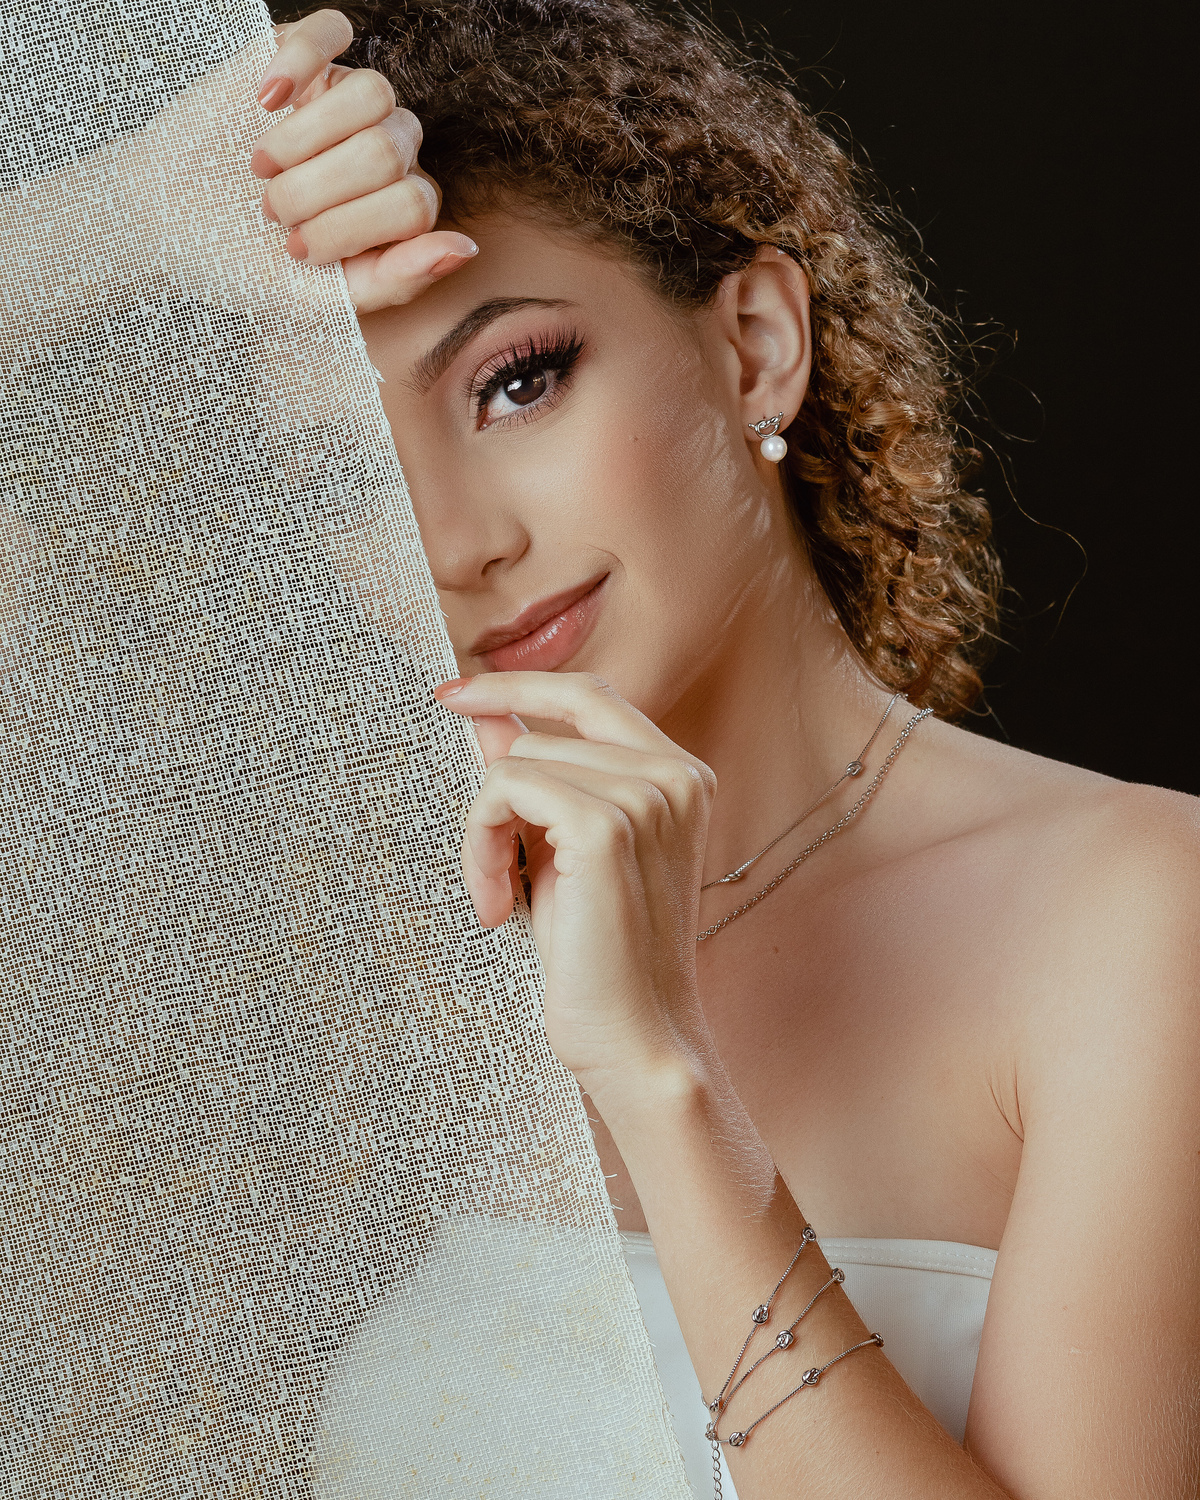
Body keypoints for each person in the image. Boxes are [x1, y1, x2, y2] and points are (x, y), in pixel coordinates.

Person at [244, 3, 1198, 1495]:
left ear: (755, 345)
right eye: (345, 474)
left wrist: (662, 1076)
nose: (455, 545)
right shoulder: (390, 968)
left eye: (514, 383)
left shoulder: (1139, 913)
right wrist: (108, 229)